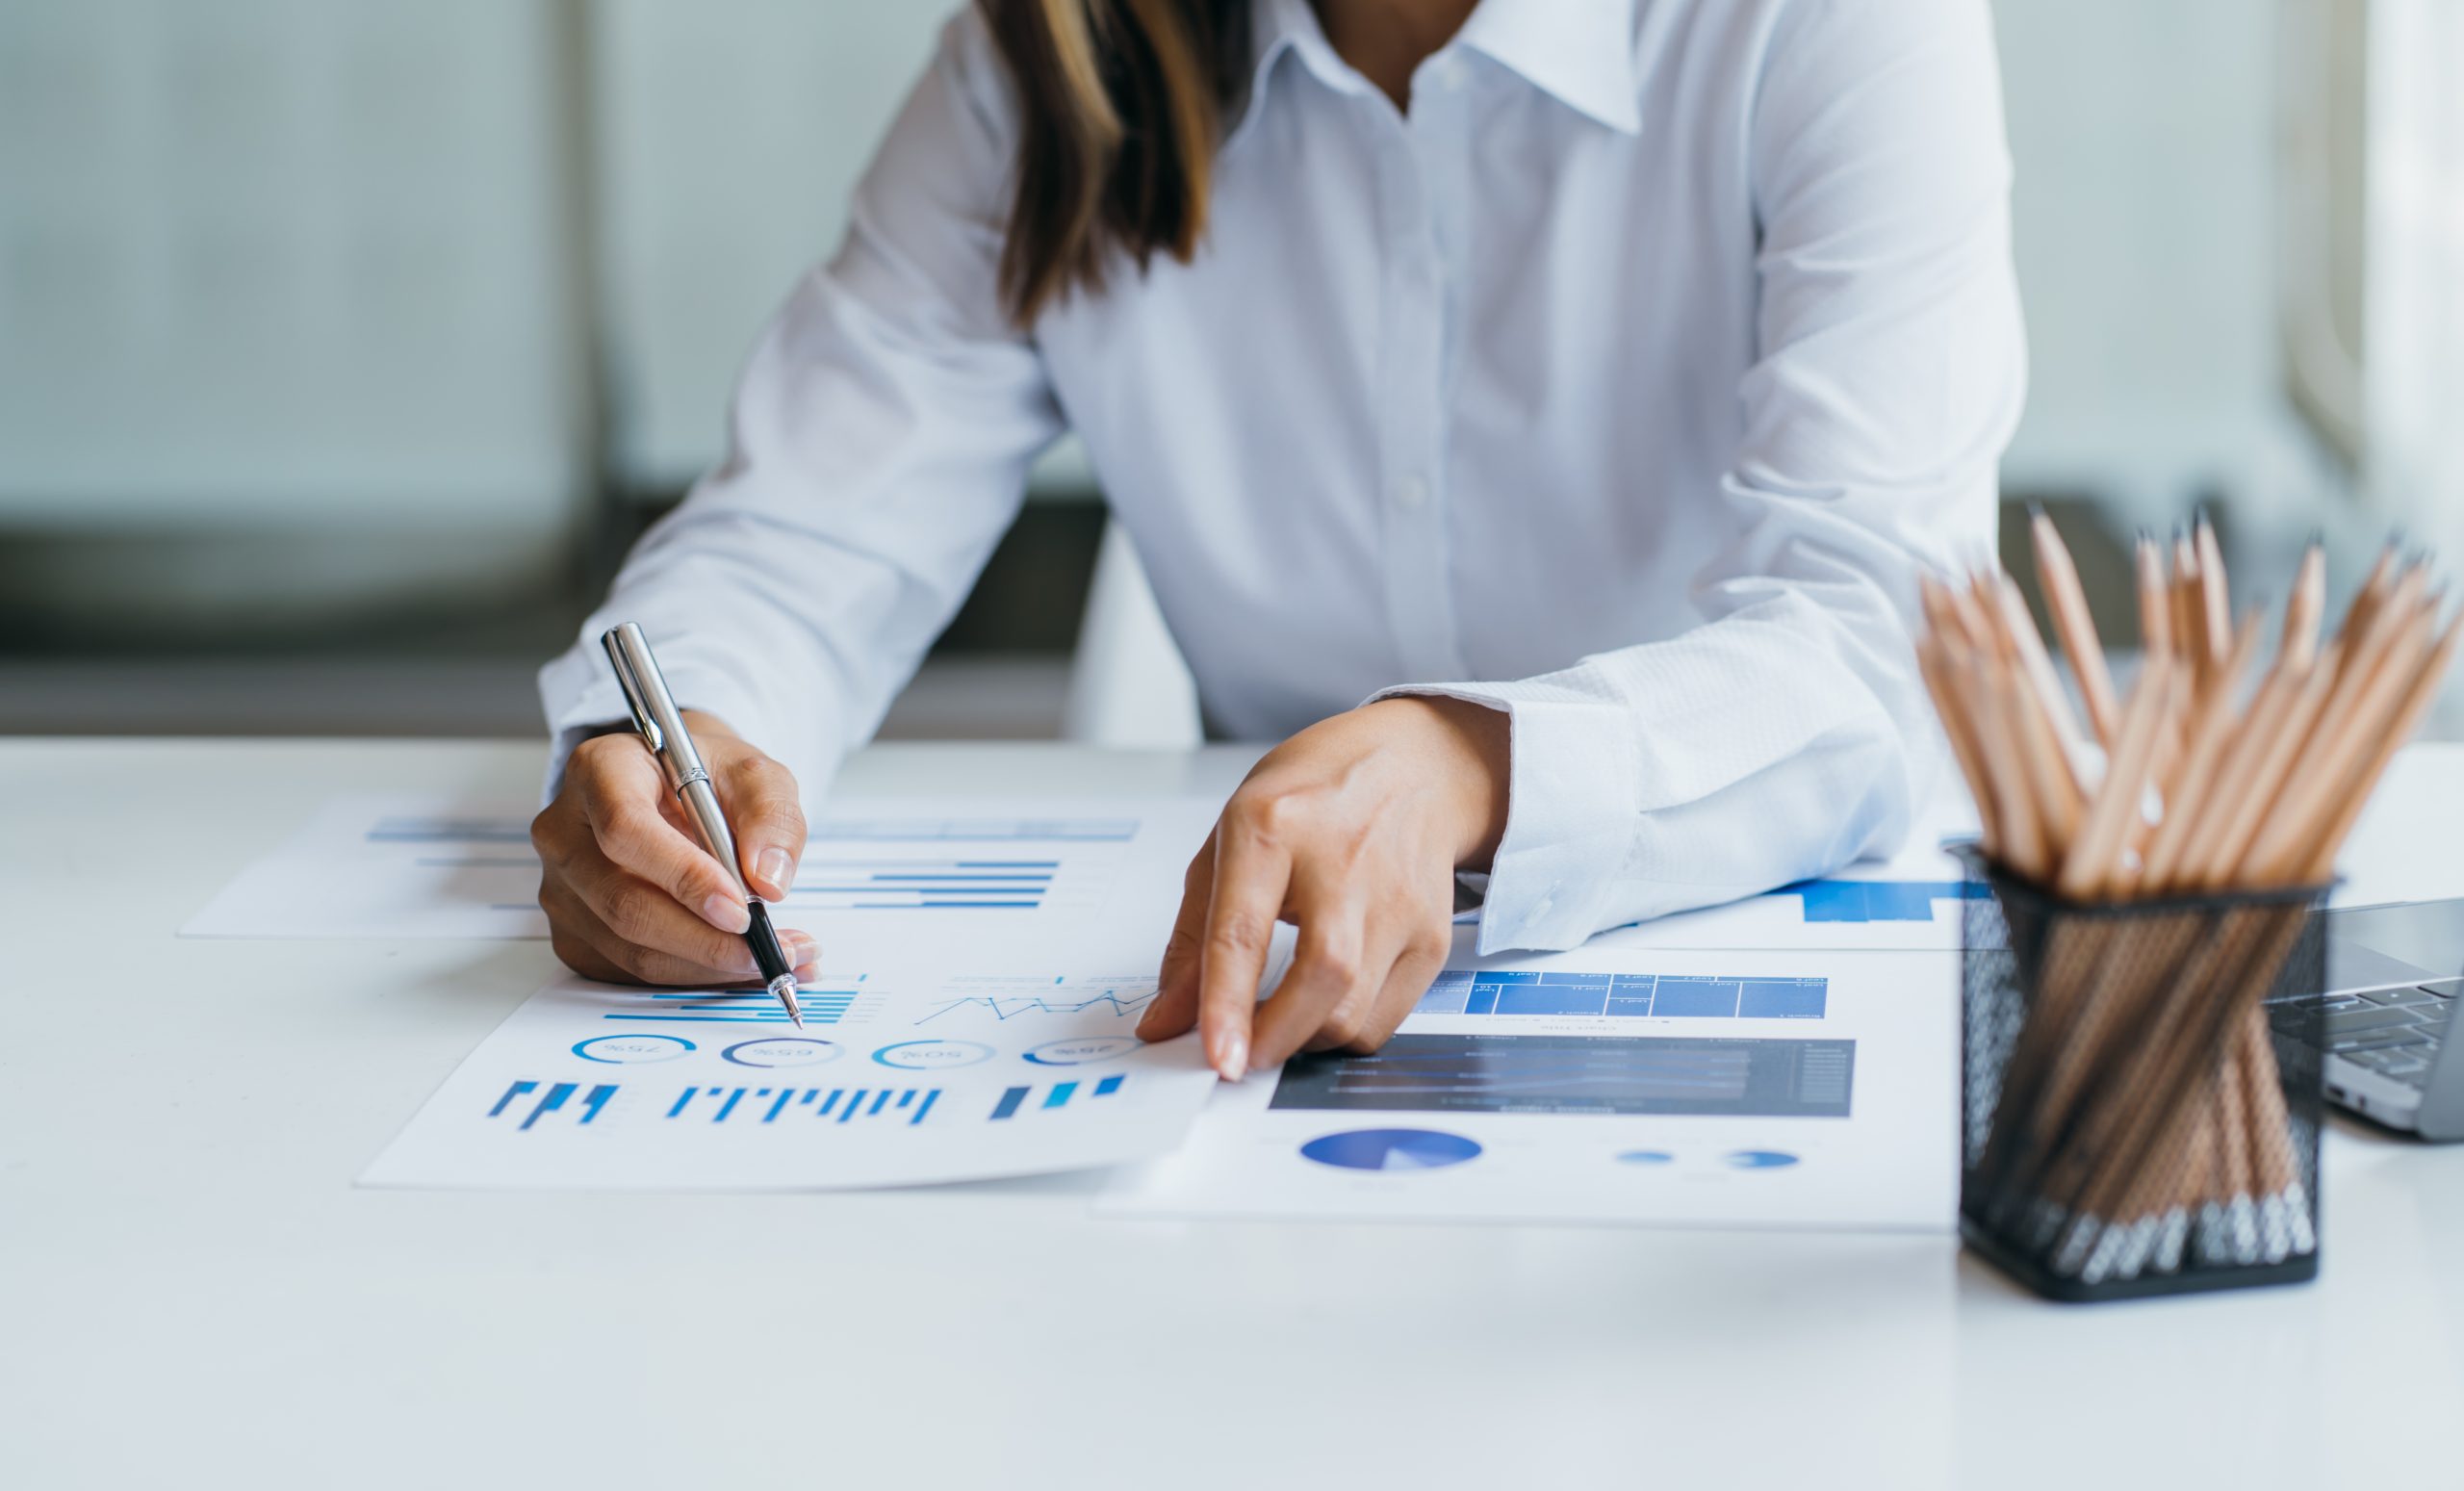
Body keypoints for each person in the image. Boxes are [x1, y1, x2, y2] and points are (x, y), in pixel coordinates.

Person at [530, 0, 2024, 1083]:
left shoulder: (1831, 24)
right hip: (1254, 1039)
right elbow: (794, 537)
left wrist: (1474, 765)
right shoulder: (1056, 56)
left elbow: (1880, 632)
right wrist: (685, 740)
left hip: (1759, 971)